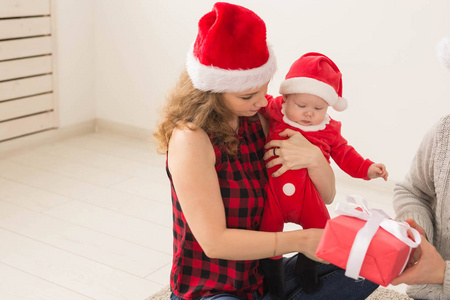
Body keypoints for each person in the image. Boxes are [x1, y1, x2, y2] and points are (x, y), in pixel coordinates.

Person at [154, 2, 378, 299]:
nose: (263, 100)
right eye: (248, 95)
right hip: (213, 288)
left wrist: (313, 159)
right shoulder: (191, 139)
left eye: (265, 88)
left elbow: (326, 196)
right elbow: (215, 243)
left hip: (262, 275)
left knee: (369, 261)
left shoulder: (263, 117)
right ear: (210, 91)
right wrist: (301, 240)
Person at [259, 52, 388, 298]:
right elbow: (254, 101)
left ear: (328, 107)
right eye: (302, 106)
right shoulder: (275, 109)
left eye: (318, 108)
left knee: (323, 230)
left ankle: (307, 268)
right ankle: (273, 281)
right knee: (268, 233)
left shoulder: (327, 130)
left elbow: (346, 154)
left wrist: (368, 168)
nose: (309, 113)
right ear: (285, 98)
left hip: (309, 196)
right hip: (274, 194)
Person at [391, 37, 450, 299]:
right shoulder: (444, 132)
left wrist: (442, 273)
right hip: (429, 291)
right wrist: (417, 231)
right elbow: (413, 191)